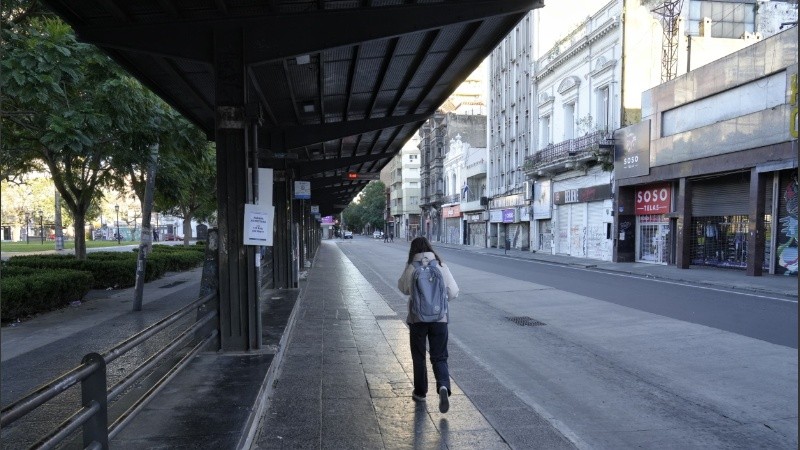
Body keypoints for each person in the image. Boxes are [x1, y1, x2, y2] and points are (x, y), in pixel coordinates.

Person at [397, 237, 459, 413]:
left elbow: (403, 288)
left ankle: (420, 392)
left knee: (419, 356)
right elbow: (453, 292)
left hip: (417, 320)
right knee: (439, 356)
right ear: (430, 248)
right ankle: (443, 386)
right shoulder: (440, 265)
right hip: (440, 319)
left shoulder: (412, 267)